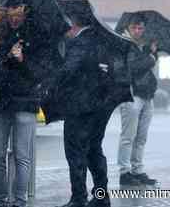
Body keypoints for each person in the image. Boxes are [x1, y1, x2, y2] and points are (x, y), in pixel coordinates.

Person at [50, 12, 126, 207]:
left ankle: (78, 198)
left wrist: (51, 79)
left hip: (80, 107)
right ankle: (101, 197)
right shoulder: (103, 41)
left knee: (75, 152)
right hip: (101, 106)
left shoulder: (80, 42)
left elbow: (68, 70)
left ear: (73, 23)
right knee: (94, 150)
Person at [0, 0, 45, 207]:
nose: (15, 19)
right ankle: (0, 200)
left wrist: (22, 61)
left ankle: (19, 202)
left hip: (25, 101)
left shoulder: (37, 37)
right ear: (6, 13)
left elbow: (39, 74)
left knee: (22, 156)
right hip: (1, 102)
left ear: (25, 14)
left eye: (19, 15)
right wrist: (5, 58)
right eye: (11, 15)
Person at [117, 13, 158, 186]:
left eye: (141, 28)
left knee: (141, 136)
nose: (137, 31)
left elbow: (144, 69)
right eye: (134, 27)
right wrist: (150, 58)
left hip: (147, 94)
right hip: (132, 94)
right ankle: (124, 172)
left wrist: (150, 52)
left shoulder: (142, 46)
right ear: (127, 28)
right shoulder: (123, 44)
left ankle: (137, 170)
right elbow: (133, 67)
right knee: (128, 136)